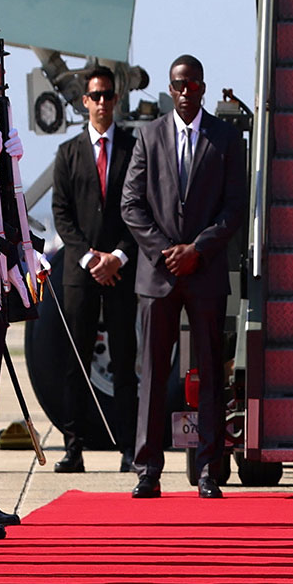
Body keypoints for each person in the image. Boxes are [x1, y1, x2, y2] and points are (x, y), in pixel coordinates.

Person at [121, 55, 246, 499]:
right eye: (179, 84)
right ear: (170, 89)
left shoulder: (226, 138)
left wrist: (197, 250)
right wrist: (165, 252)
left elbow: (235, 206)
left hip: (205, 271)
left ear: (203, 87)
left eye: (192, 83)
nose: (186, 91)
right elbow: (131, 204)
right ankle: (148, 470)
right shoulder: (148, 135)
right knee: (154, 374)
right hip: (158, 275)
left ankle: (210, 469)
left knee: (211, 372)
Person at [52, 65, 139, 473]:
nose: (102, 102)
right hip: (80, 273)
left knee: (125, 363)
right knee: (76, 363)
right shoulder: (68, 153)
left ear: (116, 100)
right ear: (85, 101)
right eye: (96, 96)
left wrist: (117, 256)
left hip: (121, 271)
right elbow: (61, 213)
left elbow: (141, 208)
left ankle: (130, 449)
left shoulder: (134, 149)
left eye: (108, 95)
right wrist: (89, 259)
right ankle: (73, 449)